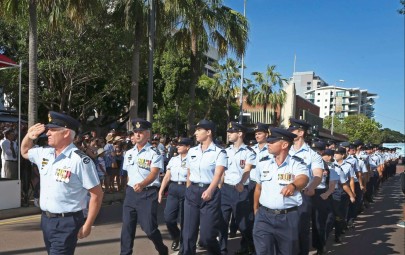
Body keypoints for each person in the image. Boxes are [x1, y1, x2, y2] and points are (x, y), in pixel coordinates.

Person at [20, 111, 103, 255]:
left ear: (66, 133)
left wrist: (88, 224)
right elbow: (25, 151)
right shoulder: (45, 153)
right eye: (48, 130)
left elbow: (96, 194)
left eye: (53, 130)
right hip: (46, 220)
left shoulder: (80, 160)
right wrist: (29, 136)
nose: (48, 133)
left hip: (67, 222)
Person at [253, 127, 309, 255]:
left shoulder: (296, 163)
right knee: (262, 251)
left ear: (284, 145)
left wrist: (293, 185)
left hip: (287, 218)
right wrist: (256, 209)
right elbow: (258, 188)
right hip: (264, 216)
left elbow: (303, 178)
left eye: (272, 142)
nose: (268, 144)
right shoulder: (263, 163)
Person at [120, 118, 168, 255]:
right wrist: (130, 188)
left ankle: (161, 249)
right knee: (127, 228)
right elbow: (128, 174)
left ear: (147, 134)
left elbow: (154, 173)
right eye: (135, 132)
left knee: (149, 228)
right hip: (131, 194)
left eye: (141, 132)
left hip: (147, 193)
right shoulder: (129, 153)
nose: (137, 135)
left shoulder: (155, 153)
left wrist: (142, 184)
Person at [182, 119, 227, 255]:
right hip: (192, 192)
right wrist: (188, 190)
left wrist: (210, 190)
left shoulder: (220, 152)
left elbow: (218, 174)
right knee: (188, 235)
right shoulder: (192, 151)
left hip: (210, 193)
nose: (195, 133)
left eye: (199, 130)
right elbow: (189, 173)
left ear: (208, 132)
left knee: (207, 237)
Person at [287, 118, 324, 255]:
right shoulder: (285, 150)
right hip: (284, 193)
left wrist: (312, 186)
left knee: (301, 230)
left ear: (301, 133)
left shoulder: (312, 155)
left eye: (292, 130)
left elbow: (318, 175)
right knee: (285, 230)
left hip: (303, 194)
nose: (289, 132)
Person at [219, 122, 256, 255]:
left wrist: (241, 182)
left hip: (241, 191)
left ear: (240, 134)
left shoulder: (249, 152)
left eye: (232, 132)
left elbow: (247, 170)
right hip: (225, 190)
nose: (228, 134)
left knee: (243, 225)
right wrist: (220, 183)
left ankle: (251, 244)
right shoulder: (225, 151)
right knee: (222, 222)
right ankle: (222, 250)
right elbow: (222, 169)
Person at [158, 137, 193, 254]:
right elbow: (167, 176)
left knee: (184, 219)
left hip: (186, 187)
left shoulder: (192, 159)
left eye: (181, 145)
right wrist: (161, 190)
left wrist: (189, 191)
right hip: (173, 188)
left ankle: (184, 246)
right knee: (169, 218)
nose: (177, 146)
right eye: (177, 145)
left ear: (188, 147)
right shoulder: (173, 159)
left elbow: (191, 176)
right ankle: (176, 236)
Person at [332, 147, 356, 243]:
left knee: (340, 214)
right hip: (330, 192)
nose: (335, 155)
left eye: (337, 153)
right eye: (334, 153)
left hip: (342, 192)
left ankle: (338, 233)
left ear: (343, 155)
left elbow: (351, 180)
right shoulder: (330, 165)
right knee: (331, 214)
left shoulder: (348, 166)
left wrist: (352, 193)